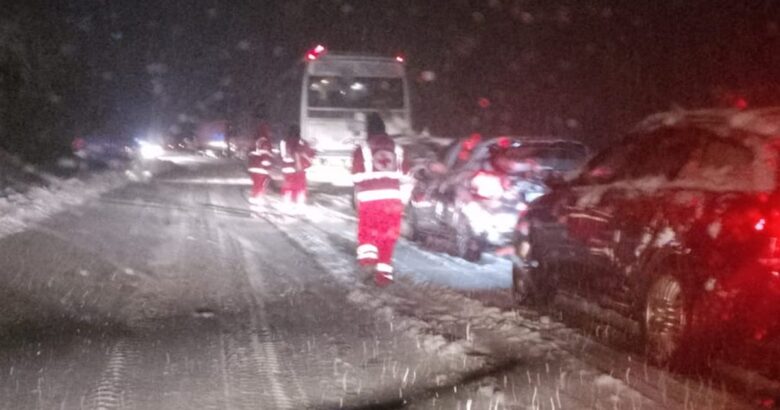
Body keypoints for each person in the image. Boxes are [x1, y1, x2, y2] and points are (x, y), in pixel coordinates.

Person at [352, 113, 407, 287]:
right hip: (392, 200)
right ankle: (384, 276)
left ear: (368, 130)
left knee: (368, 233)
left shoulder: (362, 149)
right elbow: (406, 174)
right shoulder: (398, 149)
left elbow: (356, 176)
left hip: (370, 200)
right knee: (388, 236)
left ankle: (368, 265)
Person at [279, 125, 315, 207]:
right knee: (300, 187)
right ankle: (299, 203)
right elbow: (309, 154)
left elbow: (283, 156)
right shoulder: (303, 142)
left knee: (288, 187)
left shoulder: (284, 142)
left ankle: (287, 203)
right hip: (300, 169)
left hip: (287, 168)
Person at [247, 122, 274, 204]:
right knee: (261, 183)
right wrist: (267, 165)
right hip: (261, 167)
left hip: (253, 166)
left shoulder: (255, 141)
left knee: (256, 183)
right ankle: (258, 198)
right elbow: (265, 155)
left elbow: (250, 153)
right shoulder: (266, 141)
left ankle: (254, 197)